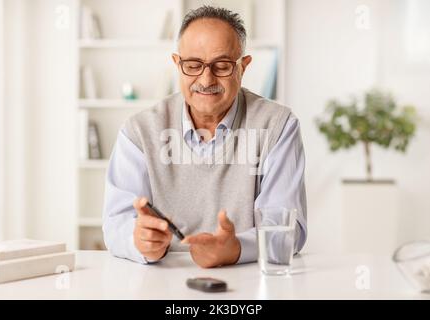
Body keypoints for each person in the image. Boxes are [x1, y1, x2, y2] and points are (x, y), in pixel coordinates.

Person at [103, 6, 307, 268]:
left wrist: (236, 249)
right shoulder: (139, 132)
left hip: (250, 278)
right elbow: (115, 224)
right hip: (161, 280)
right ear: (178, 64)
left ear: (243, 68)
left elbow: (287, 230)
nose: (206, 78)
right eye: (193, 65)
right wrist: (139, 241)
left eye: (221, 66)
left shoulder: (279, 126)